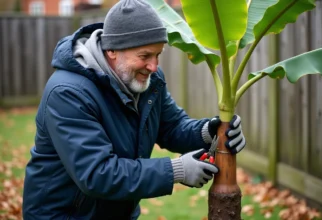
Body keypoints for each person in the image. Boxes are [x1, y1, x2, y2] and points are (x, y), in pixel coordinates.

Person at [22, 0, 246, 219]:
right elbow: (97, 174)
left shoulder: (147, 80)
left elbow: (171, 126)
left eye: (158, 55)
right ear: (112, 50)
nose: (154, 67)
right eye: (145, 56)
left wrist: (209, 131)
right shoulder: (67, 93)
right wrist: (176, 170)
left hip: (118, 211)